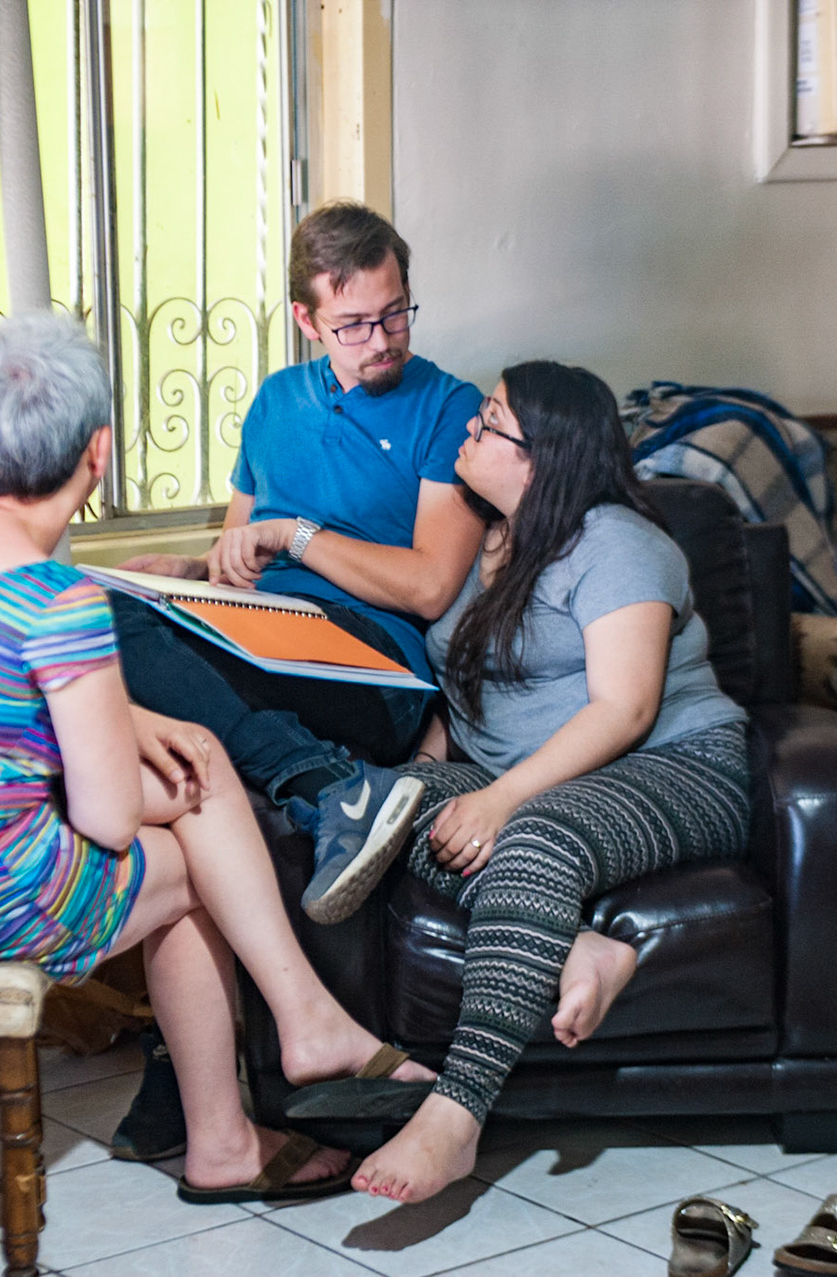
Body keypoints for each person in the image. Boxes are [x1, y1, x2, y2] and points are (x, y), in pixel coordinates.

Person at [0, 313, 431, 1204]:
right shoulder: (58, 597)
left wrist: (125, 716)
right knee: (198, 837)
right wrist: (153, 758)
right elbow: (107, 820)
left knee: (195, 767)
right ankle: (258, 1093)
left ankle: (290, 1048)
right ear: (99, 451)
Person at [289, 361, 753, 1203]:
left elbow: (626, 707)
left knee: (532, 835)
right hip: (527, 777)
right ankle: (575, 944)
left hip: (675, 765)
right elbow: (466, 692)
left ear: (542, 456)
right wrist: (423, 777)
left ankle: (456, 1113)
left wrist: (501, 799)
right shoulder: (483, 541)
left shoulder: (615, 542)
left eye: (490, 422)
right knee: (381, 804)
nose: (468, 429)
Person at [113, 201, 485, 923]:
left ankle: (329, 784)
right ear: (306, 321)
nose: (382, 340)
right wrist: (189, 571)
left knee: (164, 678)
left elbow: (432, 586)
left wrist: (296, 535)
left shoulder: (449, 408)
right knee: (94, 613)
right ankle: (325, 783)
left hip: (375, 666)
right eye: (353, 325)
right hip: (265, 627)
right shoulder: (276, 401)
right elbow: (236, 558)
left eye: (396, 314)